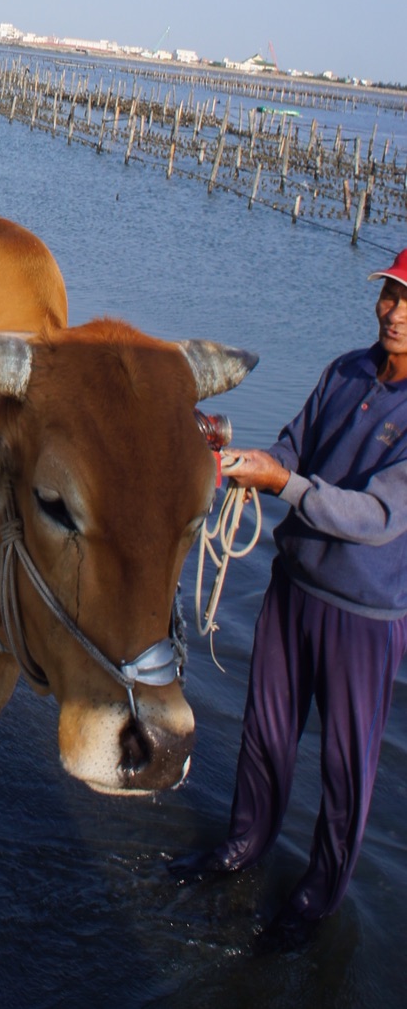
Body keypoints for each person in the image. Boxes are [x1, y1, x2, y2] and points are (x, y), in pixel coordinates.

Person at [171, 249, 407, 942]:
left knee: (346, 760)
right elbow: (294, 443)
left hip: (363, 614)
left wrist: (284, 485)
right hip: (293, 583)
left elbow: (379, 517)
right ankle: (244, 842)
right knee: (265, 729)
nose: (395, 312)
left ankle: (320, 894)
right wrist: (254, 465)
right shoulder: (345, 370)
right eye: (391, 294)